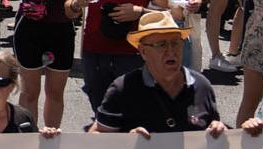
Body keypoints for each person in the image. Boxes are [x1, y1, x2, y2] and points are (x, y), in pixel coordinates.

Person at [93, 9, 228, 137]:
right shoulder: (123, 88)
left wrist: (220, 128)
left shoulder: (201, 85)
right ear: (143, 51)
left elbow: (214, 129)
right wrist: (127, 141)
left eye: (175, 43)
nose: (171, 51)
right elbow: (96, 139)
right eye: (161, 44)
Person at [3, 0, 84, 130]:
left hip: (62, 28)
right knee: (30, 92)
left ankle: (52, 137)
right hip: (30, 27)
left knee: (55, 92)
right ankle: (29, 136)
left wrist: (79, 3)